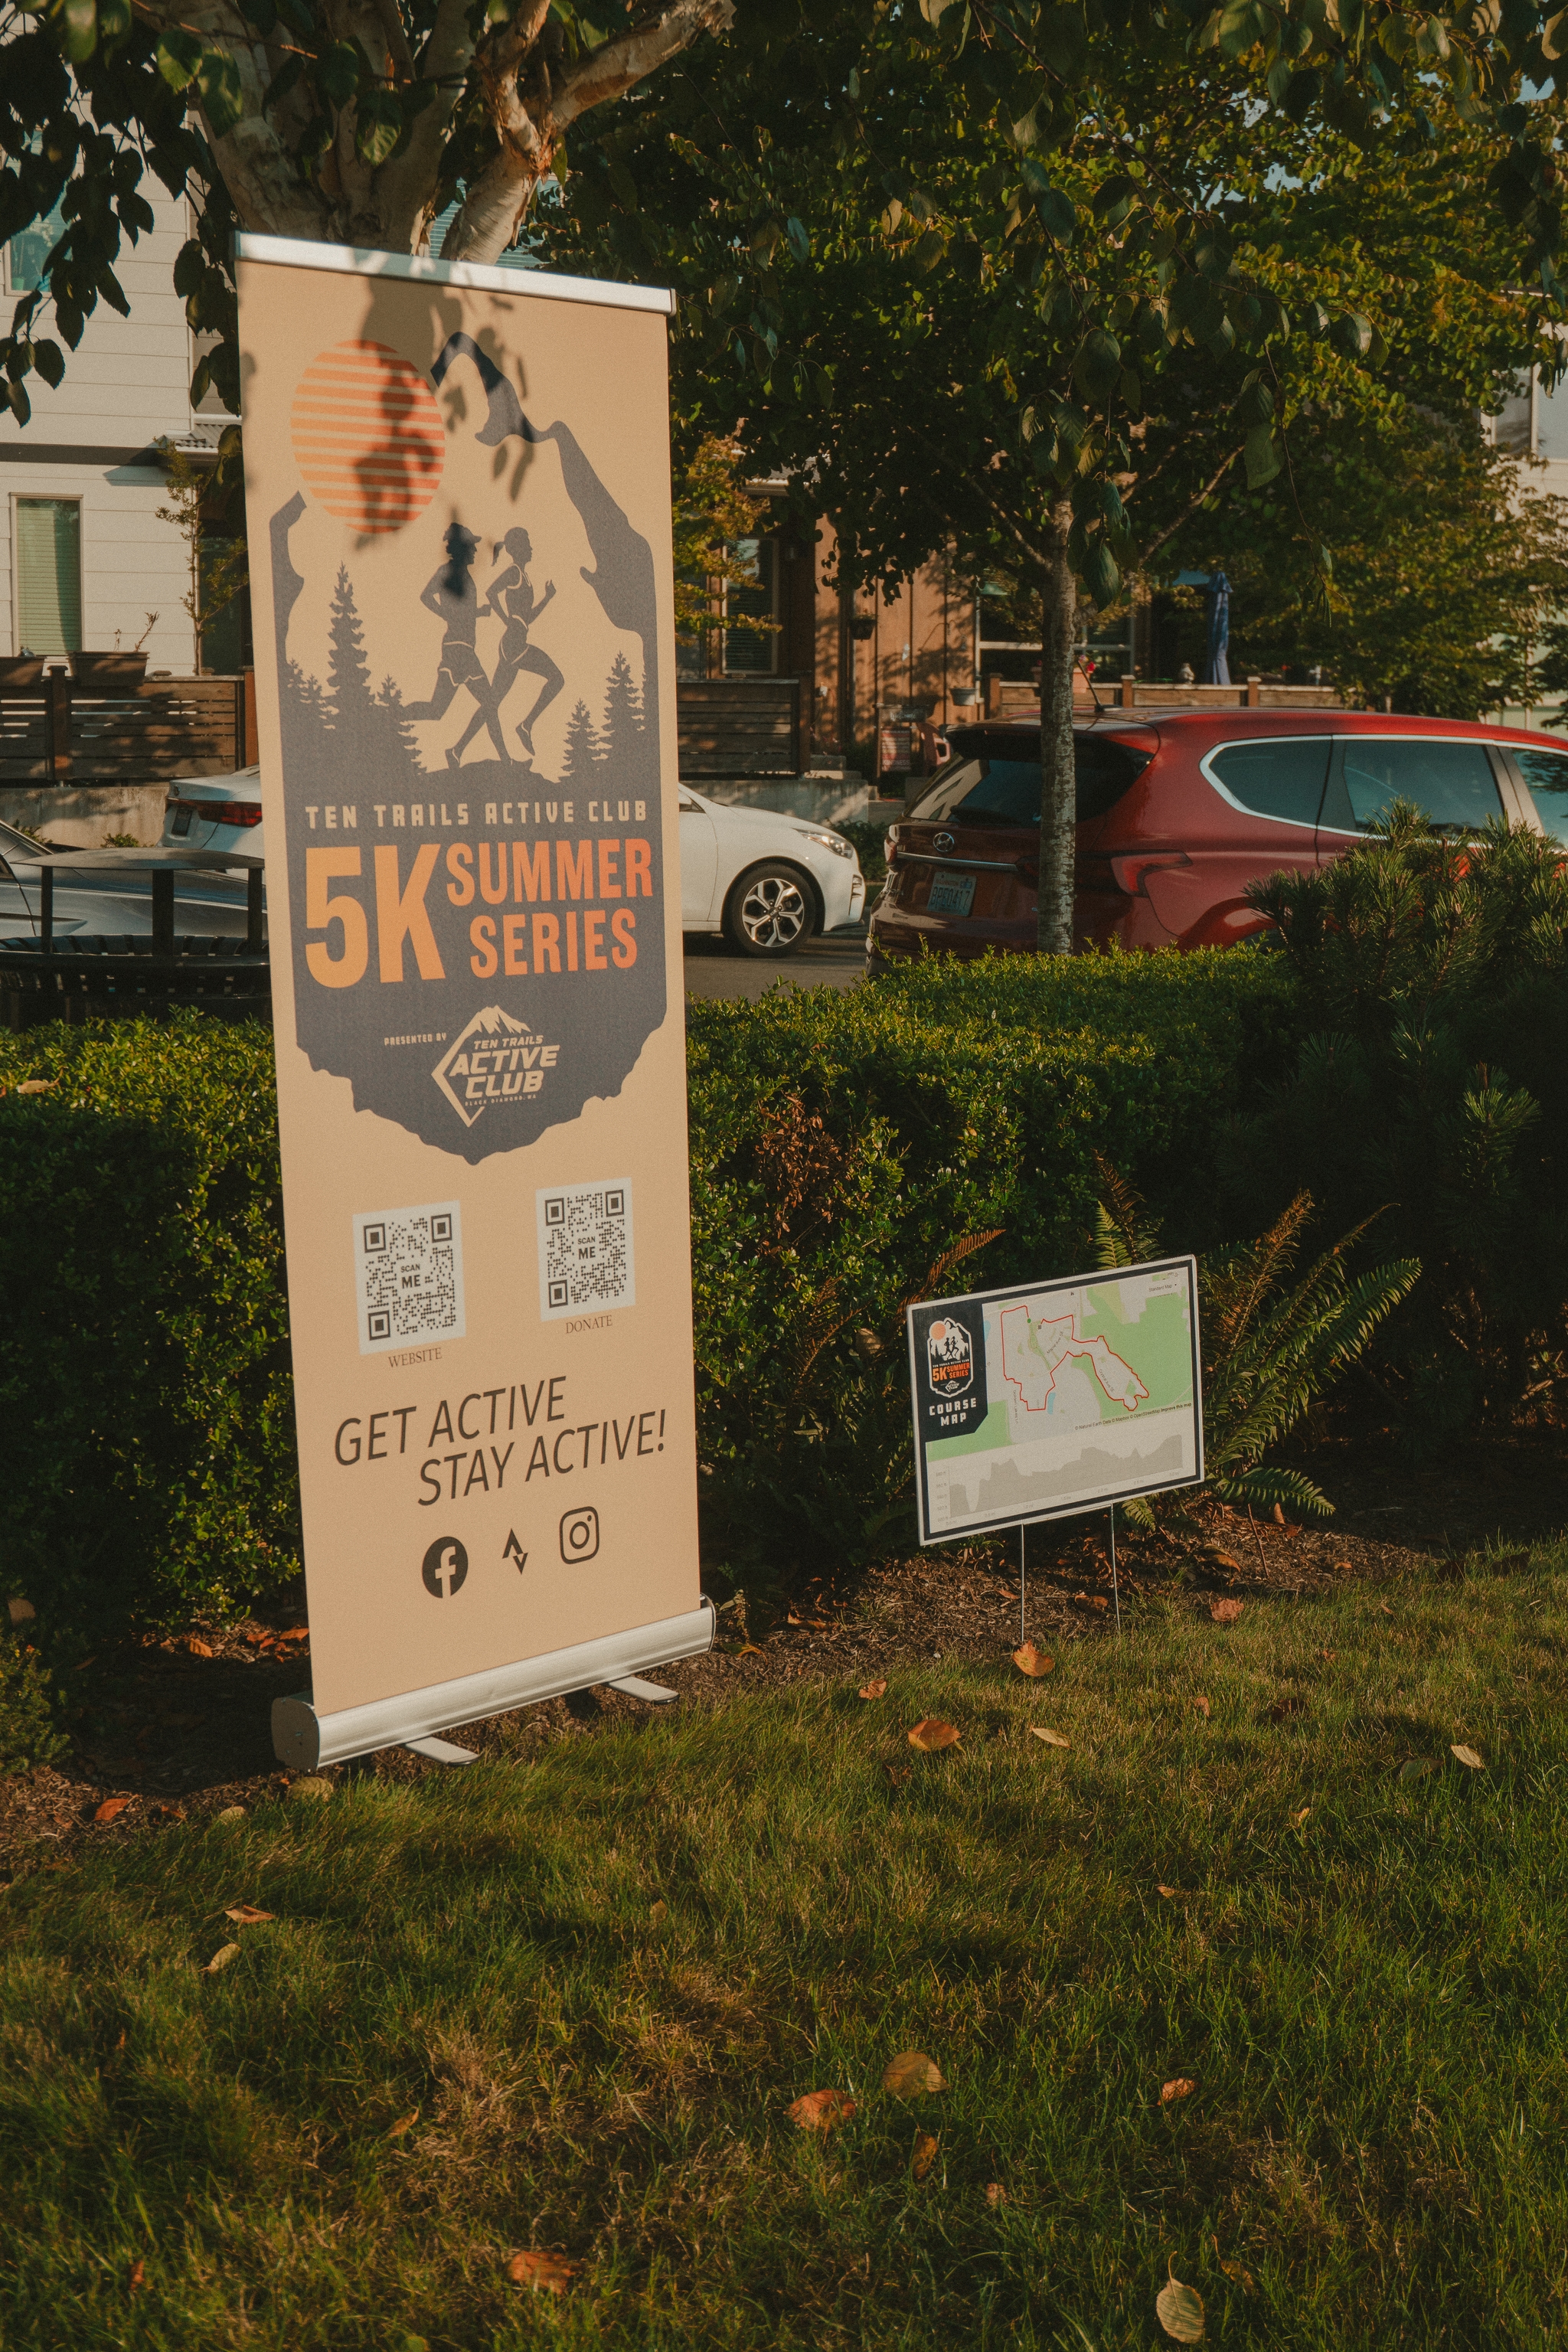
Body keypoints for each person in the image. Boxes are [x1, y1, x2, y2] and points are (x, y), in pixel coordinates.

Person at [403, 522, 510, 767]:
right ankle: (392, 717)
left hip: (464, 649)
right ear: (461, 549)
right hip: (456, 649)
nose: (475, 551)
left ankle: (468, 754)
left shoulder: (463, 575)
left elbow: (462, 611)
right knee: (438, 710)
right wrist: (445, 614)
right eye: (471, 546)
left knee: (450, 708)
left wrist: (477, 613)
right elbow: (425, 596)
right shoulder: (448, 572)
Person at [472, 527, 565, 762]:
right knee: (557, 678)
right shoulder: (513, 573)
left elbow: (528, 617)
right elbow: (491, 592)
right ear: (520, 549)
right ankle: (526, 725)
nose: (532, 548)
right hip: (514, 644)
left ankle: (458, 748)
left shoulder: (524, 576)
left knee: (492, 703)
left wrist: (547, 598)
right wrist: (506, 620)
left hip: (515, 641)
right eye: (529, 544)